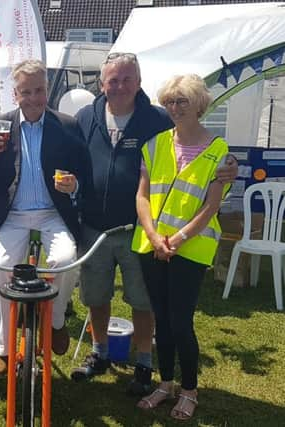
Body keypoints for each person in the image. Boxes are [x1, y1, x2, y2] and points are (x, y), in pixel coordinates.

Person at [71, 53, 237, 395]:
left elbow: (193, 142)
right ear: (101, 83)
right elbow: (71, 156)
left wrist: (229, 166)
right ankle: (100, 352)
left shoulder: (157, 118)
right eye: (112, 80)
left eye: (126, 79)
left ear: (139, 81)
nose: (119, 86)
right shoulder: (85, 117)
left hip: (138, 232)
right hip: (94, 227)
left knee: (142, 301)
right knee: (96, 296)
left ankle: (145, 362)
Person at [0, 59, 85, 376]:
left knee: (65, 259)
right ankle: (3, 349)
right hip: (13, 216)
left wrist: (74, 185)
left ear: (47, 90)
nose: (33, 98)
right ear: (15, 93)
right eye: (26, 92)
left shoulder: (66, 126)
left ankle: (57, 321)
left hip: (52, 213)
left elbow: (83, 173)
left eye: (39, 90)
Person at [132, 74, 229, 420]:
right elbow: (142, 196)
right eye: (170, 102)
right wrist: (156, 237)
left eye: (182, 101)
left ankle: (189, 390)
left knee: (180, 321)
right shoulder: (155, 144)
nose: (174, 108)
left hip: (189, 250)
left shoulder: (219, 152)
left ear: (199, 104)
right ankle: (166, 383)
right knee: (162, 320)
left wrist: (177, 240)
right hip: (152, 245)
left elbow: (211, 207)